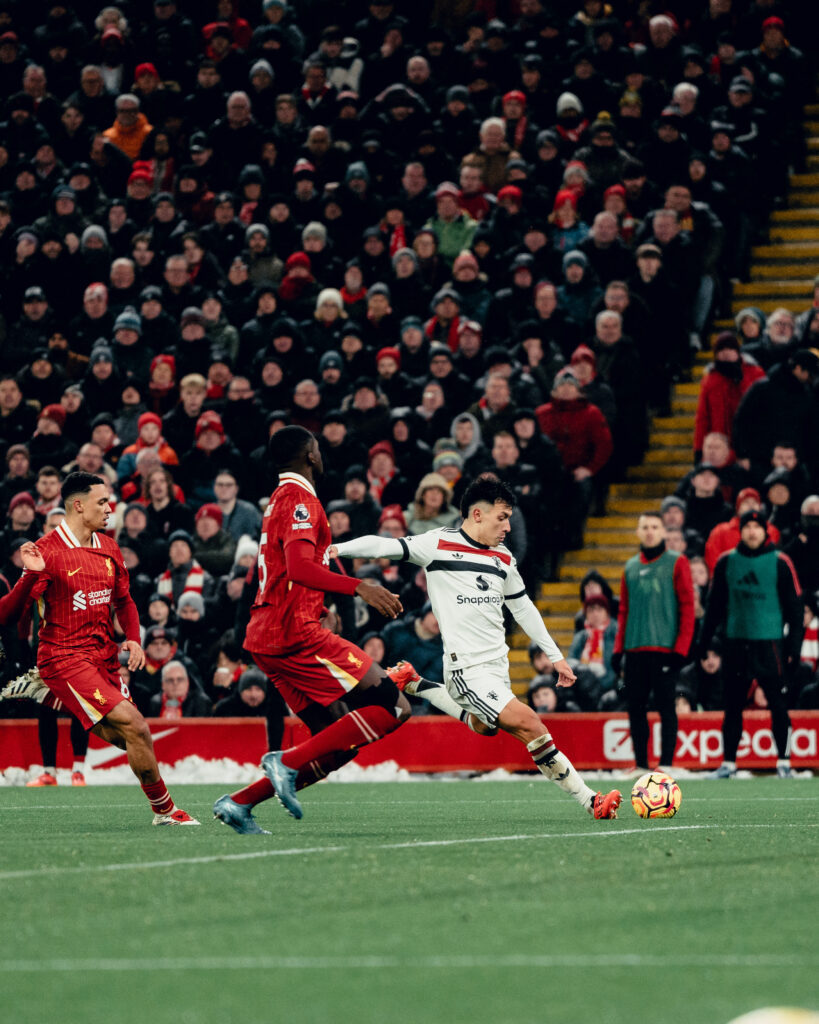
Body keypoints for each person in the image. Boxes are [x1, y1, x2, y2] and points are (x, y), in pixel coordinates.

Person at [213, 426, 467, 834]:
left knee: (336, 740)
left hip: (272, 633)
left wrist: (322, 604)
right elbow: (299, 567)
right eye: (316, 448)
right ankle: (285, 762)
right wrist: (360, 587)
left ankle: (240, 803)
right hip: (293, 633)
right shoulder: (301, 500)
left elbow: (293, 568)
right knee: (393, 706)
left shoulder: (278, 499)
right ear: (310, 455)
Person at [330, 475, 622, 819]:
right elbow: (384, 546)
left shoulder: (503, 559)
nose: (509, 527)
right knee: (531, 724)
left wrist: (556, 656)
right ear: (477, 514)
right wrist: (337, 549)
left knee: (487, 726)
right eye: (503, 517)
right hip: (466, 668)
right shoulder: (438, 544)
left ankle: (416, 683)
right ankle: (591, 801)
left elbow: (523, 608)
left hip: (498, 667)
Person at [0, 472, 197, 825]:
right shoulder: (46, 551)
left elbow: (125, 602)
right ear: (78, 505)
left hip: (102, 657)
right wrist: (30, 574)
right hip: (64, 657)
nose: (110, 508)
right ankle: (166, 812)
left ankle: (53, 696)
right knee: (137, 726)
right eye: (102, 502)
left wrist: (134, 638)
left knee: (131, 738)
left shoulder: (109, 546)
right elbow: (6, 614)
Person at [700, 509, 803, 779]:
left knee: (778, 704)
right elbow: (713, 608)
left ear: (765, 531)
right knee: (732, 705)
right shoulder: (726, 562)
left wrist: (793, 648)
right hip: (735, 643)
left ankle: (784, 762)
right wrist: (704, 642)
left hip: (769, 644)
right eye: (747, 526)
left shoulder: (780, 562)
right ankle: (729, 764)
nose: (752, 531)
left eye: (757, 526)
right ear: (741, 531)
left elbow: (795, 609)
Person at [613, 512, 696, 773]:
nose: (649, 531)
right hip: (635, 649)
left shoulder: (677, 562)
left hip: (665, 650)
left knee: (665, 707)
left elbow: (688, 607)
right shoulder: (630, 567)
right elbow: (624, 610)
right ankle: (640, 764)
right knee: (635, 708)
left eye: (654, 527)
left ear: (663, 532)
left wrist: (681, 649)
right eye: (645, 527)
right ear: (638, 532)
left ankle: (667, 765)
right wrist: (618, 650)